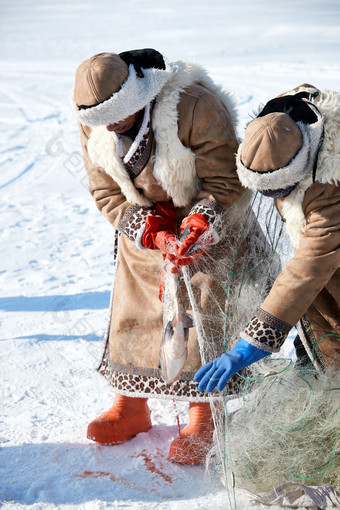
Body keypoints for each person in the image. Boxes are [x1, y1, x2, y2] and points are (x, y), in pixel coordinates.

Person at [71, 48, 247, 464]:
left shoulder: (196, 106)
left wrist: (198, 226)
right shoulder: (92, 120)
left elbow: (226, 181)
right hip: (146, 221)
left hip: (208, 217)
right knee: (133, 310)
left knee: (203, 311)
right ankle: (130, 405)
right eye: (101, 118)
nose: (110, 124)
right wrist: (146, 229)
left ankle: (205, 412)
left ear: (140, 94)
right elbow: (106, 192)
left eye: (120, 112)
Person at [194, 84, 340, 393]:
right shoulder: (285, 121)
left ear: (302, 163)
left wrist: (250, 344)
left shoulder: (329, 187)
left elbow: (308, 267)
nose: (274, 198)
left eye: (279, 190)